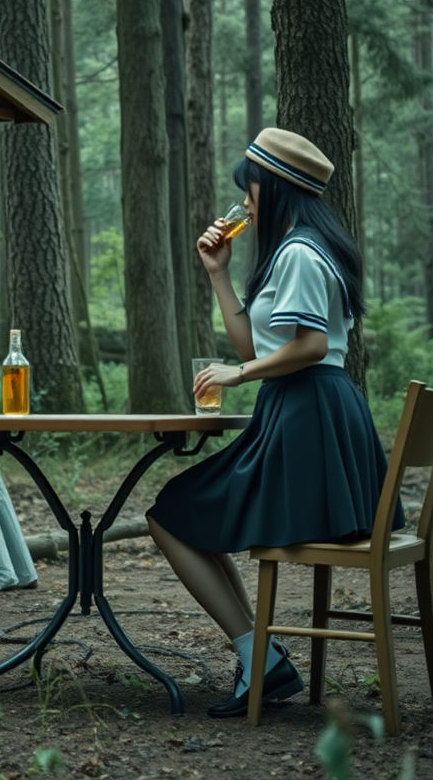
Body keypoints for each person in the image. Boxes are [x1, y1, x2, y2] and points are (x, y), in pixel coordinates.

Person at [146, 128, 404, 718]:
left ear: (276, 188)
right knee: (186, 514)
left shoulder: (299, 252)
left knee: (171, 517)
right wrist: (217, 274)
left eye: (251, 188)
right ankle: (261, 656)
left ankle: (260, 658)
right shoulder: (302, 248)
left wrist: (238, 377)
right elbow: (255, 345)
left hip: (307, 419)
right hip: (303, 416)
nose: (246, 203)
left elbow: (310, 346)